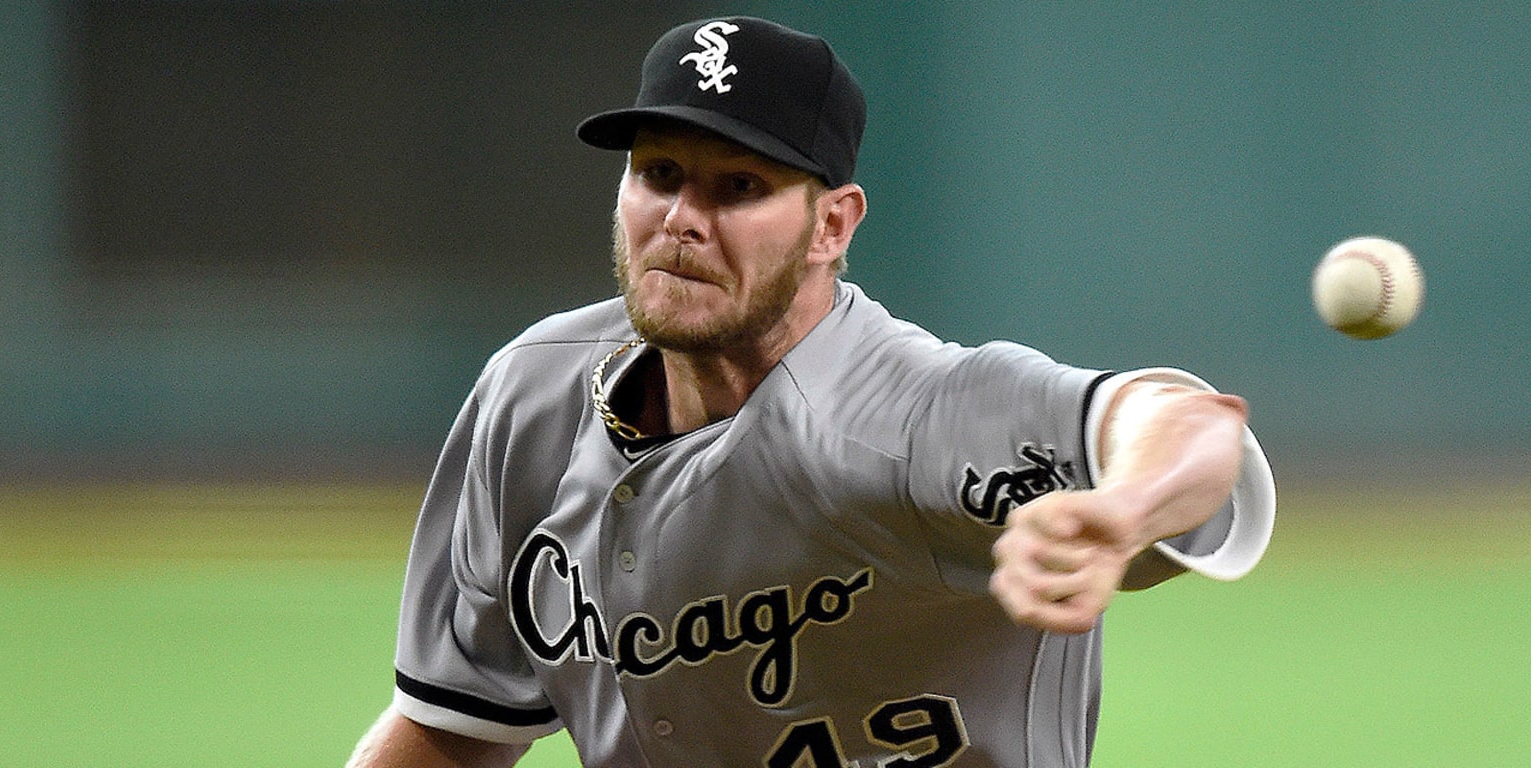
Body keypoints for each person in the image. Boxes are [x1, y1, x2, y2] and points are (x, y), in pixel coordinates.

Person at [346, 16, 1275, 768]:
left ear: (833, 224)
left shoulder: (909, 417)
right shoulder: (532, 397)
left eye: (738, 186)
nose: (681, 220)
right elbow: (451, 731)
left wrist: (1121, 509)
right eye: (658, 174)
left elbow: (1190, 428)